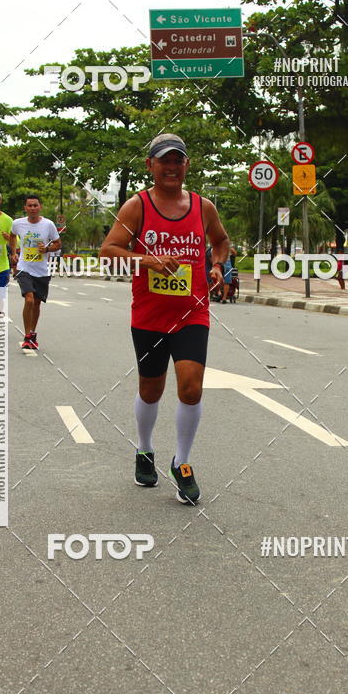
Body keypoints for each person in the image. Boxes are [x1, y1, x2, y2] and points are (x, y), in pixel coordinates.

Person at [100, 133, 229, 504]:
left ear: (187, 165)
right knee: (150, 389)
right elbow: (108, 249)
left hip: (193, 312)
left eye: (178, 160)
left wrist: (217, 266)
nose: (172, 167)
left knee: (191, 387)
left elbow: (221, 240)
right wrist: (147, 259)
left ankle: (182, 463)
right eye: (164, 161)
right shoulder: (136, 207)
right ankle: (144, 449)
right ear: (150, 165)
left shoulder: (203, 207)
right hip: (149, 315)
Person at [9, 194, 61, 350]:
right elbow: (12, 236)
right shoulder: (18, 223)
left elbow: (58, 244)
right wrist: (14, 252)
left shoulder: (48, 225)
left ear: (40, 207)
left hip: (42, 270)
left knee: (37, 303)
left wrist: (46, 249)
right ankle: (26, 335)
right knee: (29, 299)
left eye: (35, 205)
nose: (32, 208)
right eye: (29, 206)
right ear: (25, 208)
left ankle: (32, 333)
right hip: (24, 267)